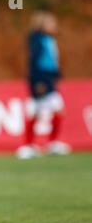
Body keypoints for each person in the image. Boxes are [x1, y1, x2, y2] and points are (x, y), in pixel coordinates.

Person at [16, 11, 70, 159]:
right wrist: (37, 82)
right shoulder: (37, 39)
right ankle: (27, 146)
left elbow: (50, 60)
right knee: (36, 112)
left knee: (56, 110)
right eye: (50, 23)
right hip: (40, 80)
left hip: (48, 79)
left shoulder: (48, 39)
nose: (53, 26)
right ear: (41, 25)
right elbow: (34, 62)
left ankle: (52, 143)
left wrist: (56, 74)